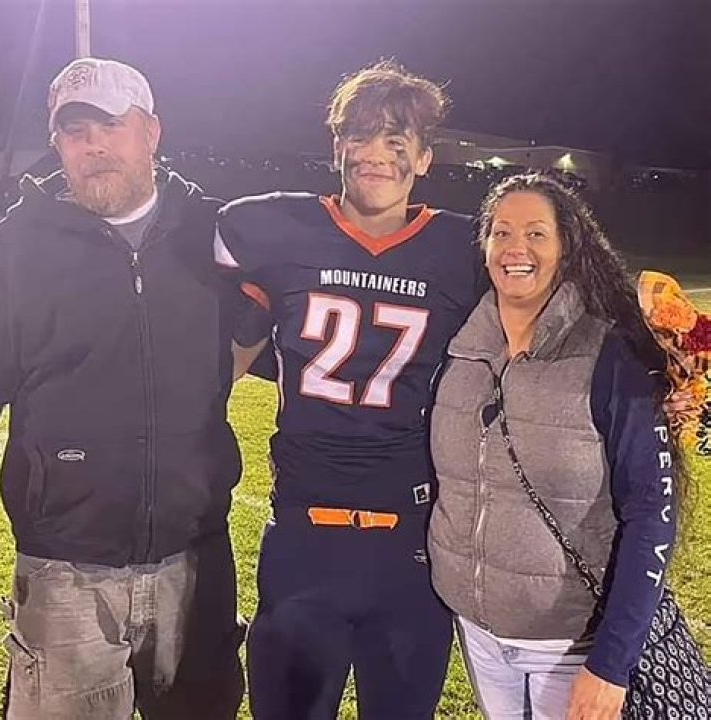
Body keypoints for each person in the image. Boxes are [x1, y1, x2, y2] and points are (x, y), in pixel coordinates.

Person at [0, 57, 266, 719]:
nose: (93, 146)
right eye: (75, 131)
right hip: (64, 569)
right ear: (58, 144)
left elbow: (262, 329)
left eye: (111, 126)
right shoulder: (14, 250)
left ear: (151, 132)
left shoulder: (213, 235)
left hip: (196, 560)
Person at [214, 60, 488, 719]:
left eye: (397, 139)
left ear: (424, 157)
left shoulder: (463, 249)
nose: (376, 154)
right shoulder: (280, 229)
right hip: (304, 537)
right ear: (336, 146)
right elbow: (216, 359)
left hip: (412, 548)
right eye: (359, 135)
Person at [428, 172, 682, 719]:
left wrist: (611, 664)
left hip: (574, 646)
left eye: (536, 234)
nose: (516, 248)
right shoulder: (456, 349)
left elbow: (652, 512)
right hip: (479, 634)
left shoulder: (610, 355)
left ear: (567, 247)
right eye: (501, 232)